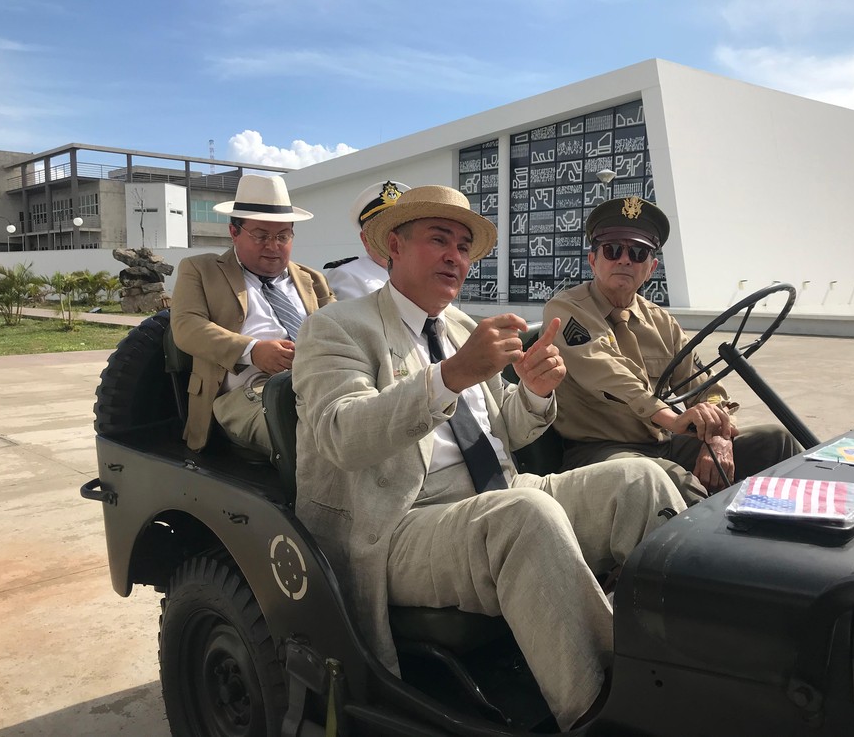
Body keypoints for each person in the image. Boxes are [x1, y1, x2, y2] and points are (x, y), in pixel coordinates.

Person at [292, 185, 684, 729]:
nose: (456, 256)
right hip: (401, 522)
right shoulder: (336, 327)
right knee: (526, 516)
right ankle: (605, 715)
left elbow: (506, 433)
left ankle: (687, 665)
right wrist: (449, 375)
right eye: (439, 240)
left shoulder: (460, 328)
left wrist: (535, 392)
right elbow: (341, 434)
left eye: (464, 246)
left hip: (498, 494)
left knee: (641, 479)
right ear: (394, 249)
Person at [544, 196, 801, 503]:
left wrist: (717, 435)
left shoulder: (661, 321)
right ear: (593, 260)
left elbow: (704, 384)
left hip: (664, 443)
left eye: (638, 253)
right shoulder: (567, 309)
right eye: (613, 250)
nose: (625, 259)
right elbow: (610, 376)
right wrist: (674, 420)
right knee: (678, 484)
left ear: (650, 268)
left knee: (778, 442)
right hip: (601, 449)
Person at [172, 174, 334, 454]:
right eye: (261, 236)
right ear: (234, 232)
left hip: (319, 381)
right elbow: (187, 326)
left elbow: (341, 327)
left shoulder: (311, 278)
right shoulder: (201, 270)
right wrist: (252, 351)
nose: (273, 246)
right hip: (248, 391)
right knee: (313, 433)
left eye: (283, 236)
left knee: (372, 421)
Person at [324, 180, 410, 299]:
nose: (394, 237)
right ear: (365, 239)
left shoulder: (423, 271)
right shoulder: (346, 275)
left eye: (400, 227)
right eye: (383, 229)